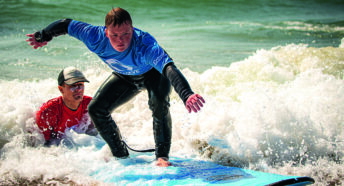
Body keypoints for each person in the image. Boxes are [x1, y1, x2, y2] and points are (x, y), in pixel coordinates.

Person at [26, 7, 205, 167]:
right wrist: (44, 35)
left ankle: (162, 157)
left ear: (132, 30)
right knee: (96, 109)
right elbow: (66, 25)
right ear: (106, 32)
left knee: (158, 104)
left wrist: (187, 94)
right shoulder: (93, 35)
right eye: (115, 35)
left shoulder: (145, 45)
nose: (121, 41)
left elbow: (169, 68)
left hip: (155, 75)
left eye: (126, 34)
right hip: (125, 76)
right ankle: (121, 156)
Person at [36, 67, 98, 146]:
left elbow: (94, 134)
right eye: (73, 86)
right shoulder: (48, 112)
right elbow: (45, 145)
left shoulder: (91, 105)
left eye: (80, 85)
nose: (78, 89)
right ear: (61, 89)